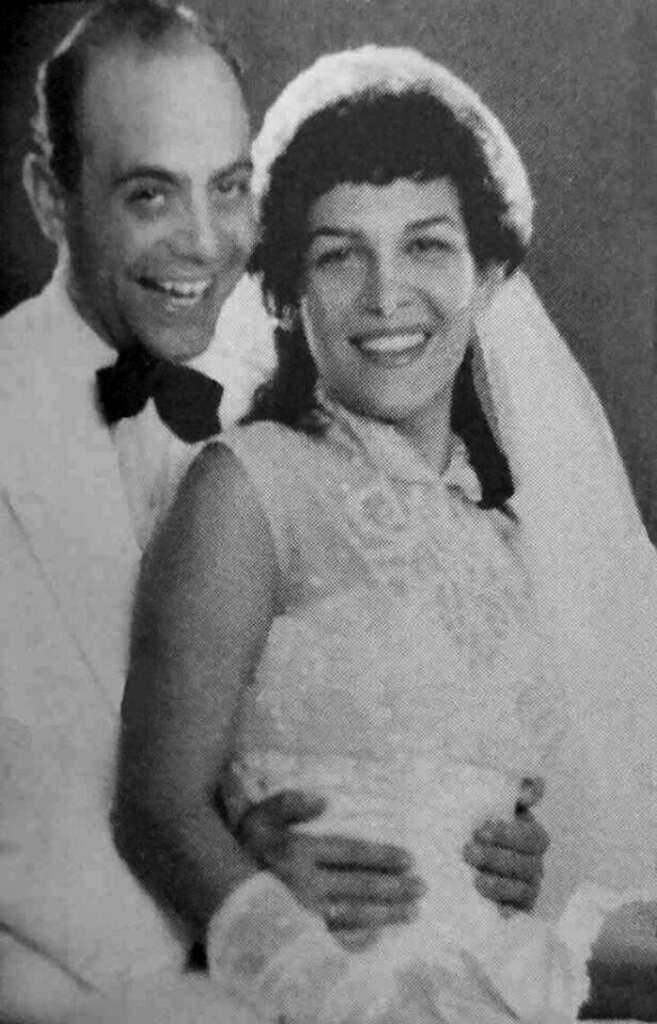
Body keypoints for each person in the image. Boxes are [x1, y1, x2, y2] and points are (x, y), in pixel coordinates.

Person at [0, 4, 544, 1020]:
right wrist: (236, 896)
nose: (204, 241)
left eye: (228, 188)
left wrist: (482, 844)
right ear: (47, 196)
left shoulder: (274, 430)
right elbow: (123, 809)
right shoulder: (234, 476)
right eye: (149, 191)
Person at [116, 45, 657, 1022]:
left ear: (486, 274)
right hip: (320, 989)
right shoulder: (246, 487)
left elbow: (467, 791)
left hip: (490, 976)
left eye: (425, 247)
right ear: (284, 295)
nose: (384, 294)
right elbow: (155, 807)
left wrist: (519, 851)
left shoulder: (493, 531)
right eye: (339, 255)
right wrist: (282, 934)